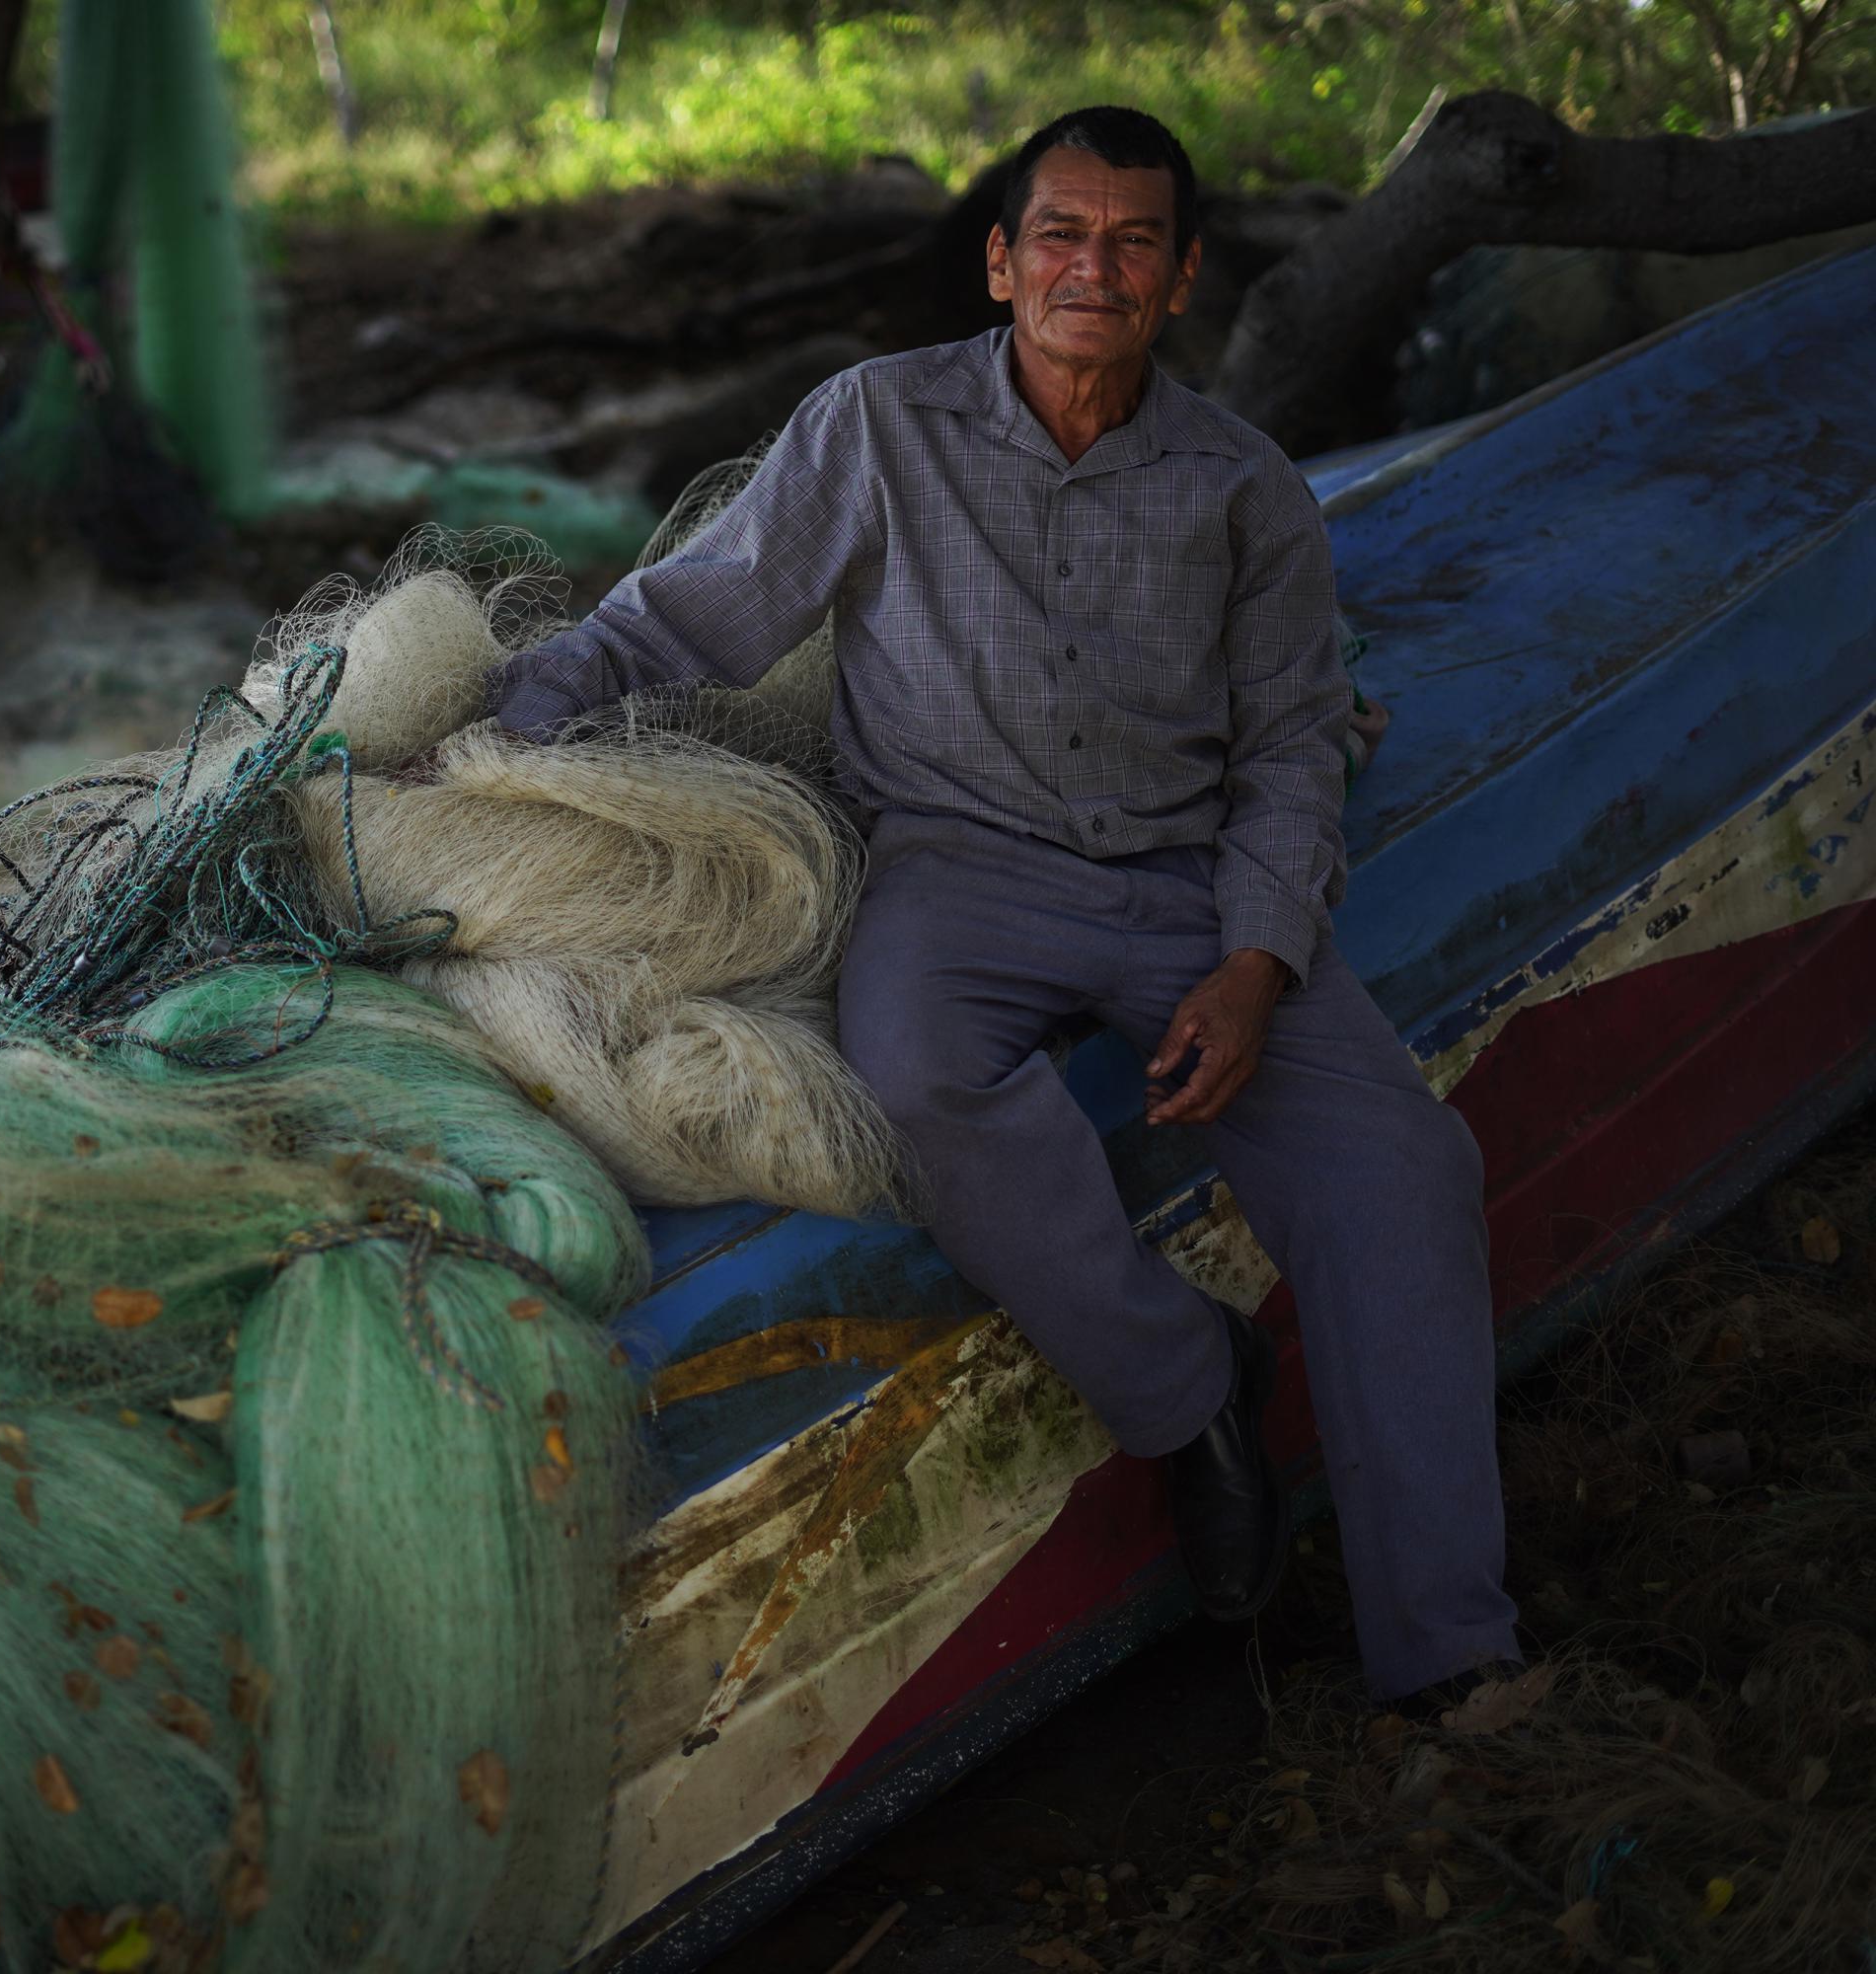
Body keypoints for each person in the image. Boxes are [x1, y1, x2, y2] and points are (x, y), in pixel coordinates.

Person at [486, 106, 1521, 1711]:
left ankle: (1453, 1660)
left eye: (1130, 243)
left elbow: (1296, 747)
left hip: (1191, 883)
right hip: (957, 872)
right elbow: (692, 614)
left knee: (1406, 1169)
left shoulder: (1246, 490)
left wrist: (1255, 962)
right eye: (1059, 234)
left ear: (1180, 280)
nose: (1089, 269)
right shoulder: (875, 427)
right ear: (999, 262)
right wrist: (500, 726)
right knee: (911, 1077)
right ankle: (1193, 1394)